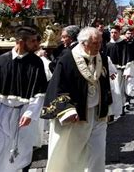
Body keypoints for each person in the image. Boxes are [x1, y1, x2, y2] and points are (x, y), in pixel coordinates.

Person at [41, 27, 111, 172]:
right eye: (95, 43)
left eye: (100, 43)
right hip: (76, 116)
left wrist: (107, 105)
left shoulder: (102, 58)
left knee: (97, 154)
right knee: (71, 156)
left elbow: (105, 84)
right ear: (84, 43)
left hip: (98, 115)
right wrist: (67, 110)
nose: (99, 47)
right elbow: (57, 87)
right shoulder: (67, 59)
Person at [0, 26, 48, 172]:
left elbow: (39, 92)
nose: (36, 44)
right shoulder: (1, 60)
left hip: (22, 114)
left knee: (19, 155)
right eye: (32, 41)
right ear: (21, 42)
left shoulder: (36, 63)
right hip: (0, 112)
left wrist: (30, 113)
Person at [107, 27, 134, 114]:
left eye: (115, 32)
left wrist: (127, 71)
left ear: (119, 33)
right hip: (111, 72)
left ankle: (121, 107)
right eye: (111, 32)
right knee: (112, 90)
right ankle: (112, 110)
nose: (113, 34)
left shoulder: (124, 45)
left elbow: (128, 59)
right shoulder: (108, 45)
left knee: (121, 90)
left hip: (121, 71)